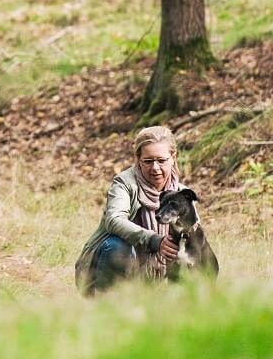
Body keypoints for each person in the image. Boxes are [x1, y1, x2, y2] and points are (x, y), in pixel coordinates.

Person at [74, 125, 191, 295]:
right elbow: (114, 220)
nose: (155, 168)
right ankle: (105, 307)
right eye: (148, 161)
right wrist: (154, 240)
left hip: (154, 282)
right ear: (137, 159)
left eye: (161, 160)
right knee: (117, 246)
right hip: (99, 272)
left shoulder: (182, 194)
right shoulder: (124, 184)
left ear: (173, 157)